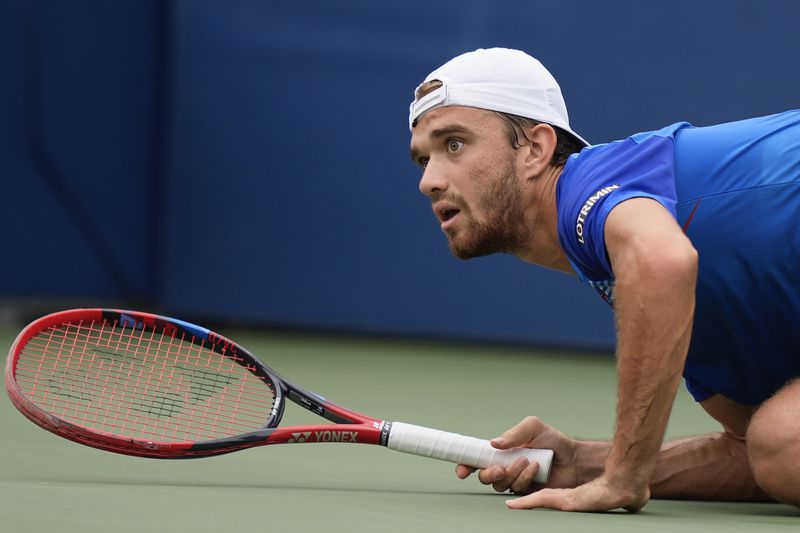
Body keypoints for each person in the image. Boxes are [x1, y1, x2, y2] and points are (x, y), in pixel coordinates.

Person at [408, 47, 800, 512]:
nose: (429, 181)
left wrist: (624, 477)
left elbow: (663, 262)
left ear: (536, 148)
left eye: (454, 144)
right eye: (423, 159)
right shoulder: (632, 271)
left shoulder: (588, 187)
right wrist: (586, 462)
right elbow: (750, 455)